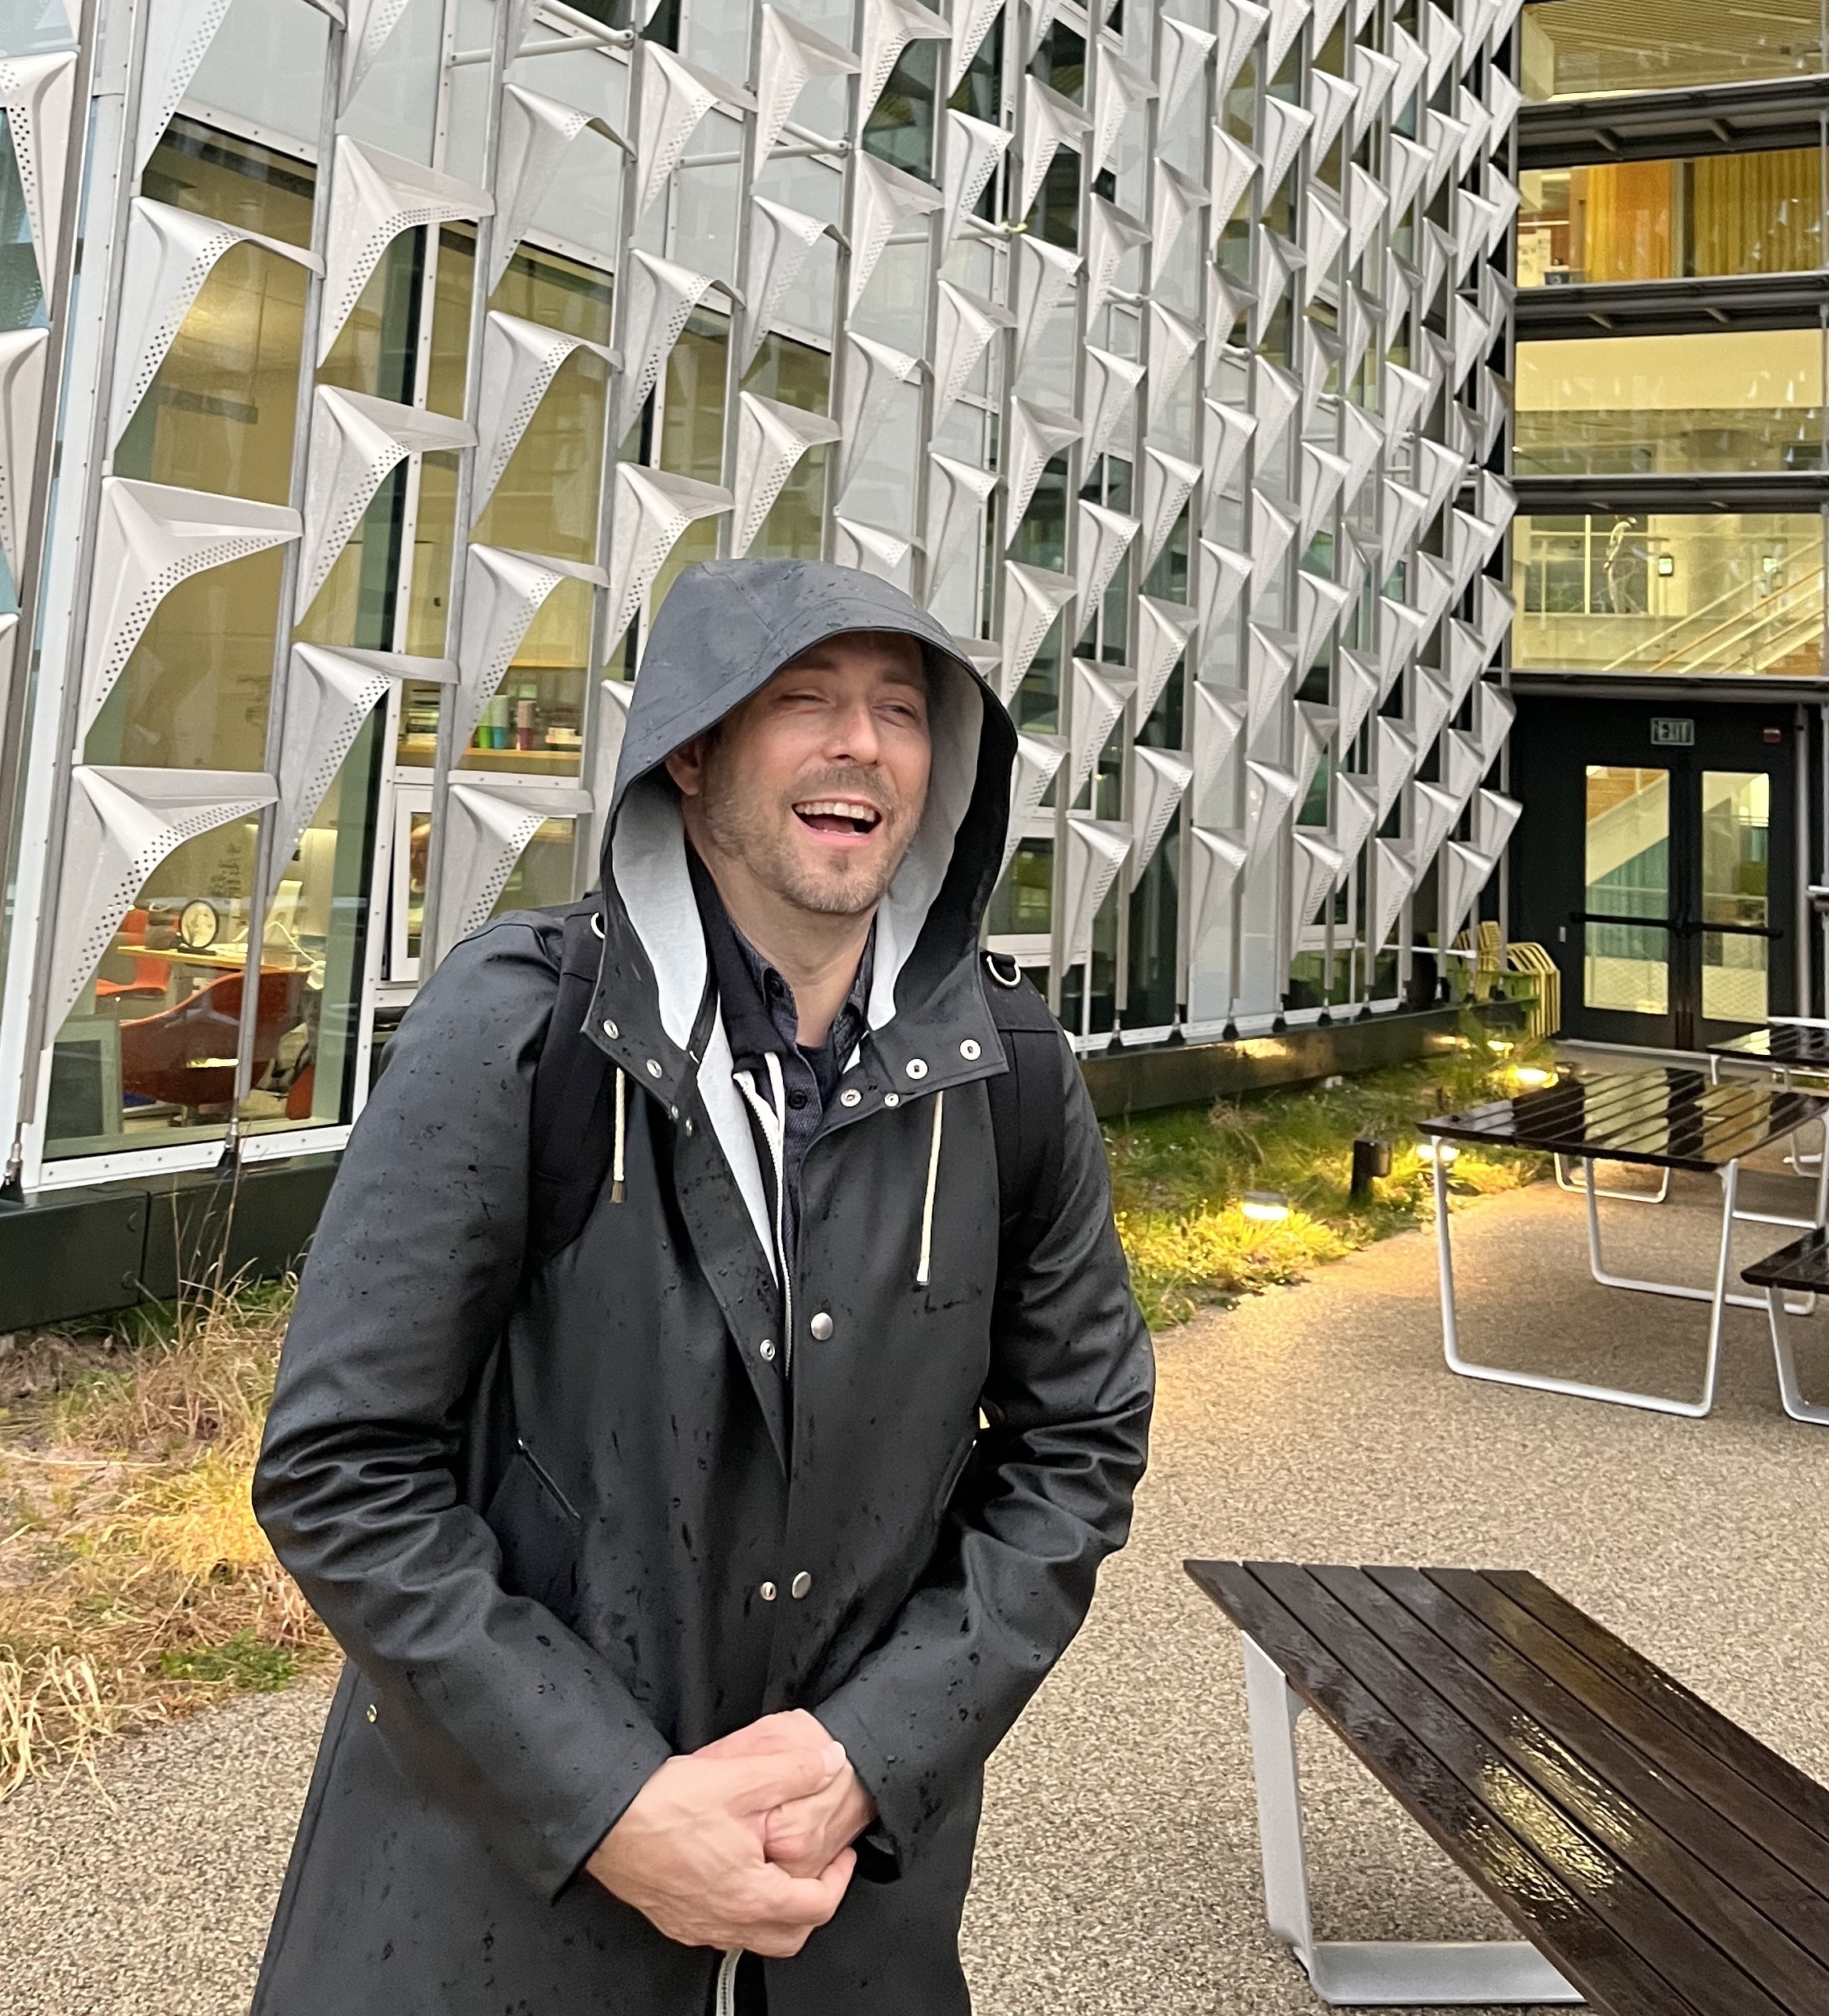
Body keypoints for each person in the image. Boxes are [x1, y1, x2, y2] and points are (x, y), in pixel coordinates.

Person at [251, 558, 1154, 2012]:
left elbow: (1078, 1446)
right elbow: (342, 1468)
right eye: (806, 699)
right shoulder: (521, 1036)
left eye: (902, 712)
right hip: (493, 1925)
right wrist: (612, 1800)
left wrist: (874, 1748)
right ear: (694, 746)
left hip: (852, 1931)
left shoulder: (1012, 1075)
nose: (861, 743)